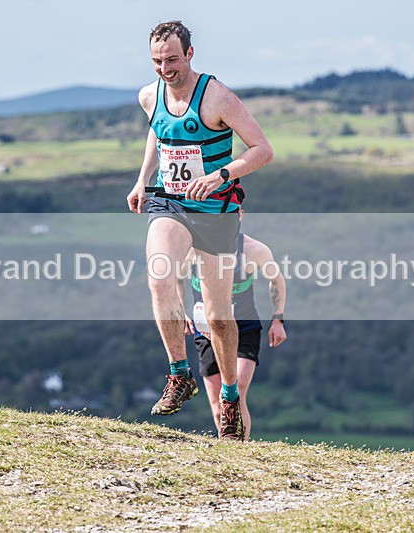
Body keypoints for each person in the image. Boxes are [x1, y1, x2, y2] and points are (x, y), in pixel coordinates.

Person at [126, 21, 273, 440]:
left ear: (190, 54)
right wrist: (142, 180)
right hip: (170, 201)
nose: (164, 69)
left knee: (217, 317)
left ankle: (229, 399)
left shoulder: (217, 97)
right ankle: (179, 375)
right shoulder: (148, 96)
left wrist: (222, 174)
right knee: (159, 276)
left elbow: (263, 150)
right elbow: (158, 133)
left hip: (215, 210)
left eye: (172, 60)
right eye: (156, 61)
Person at [178, 230, 287, 440]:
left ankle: (241, 449)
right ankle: (227, 448)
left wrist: (278, 319)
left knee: (237, 391)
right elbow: (176, 278)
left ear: (239, 215)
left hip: (244, 326)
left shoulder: (254, 250)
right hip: (207, 330)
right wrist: (181, 312)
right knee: (218, 406)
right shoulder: (193, 249)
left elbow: (277, 280)